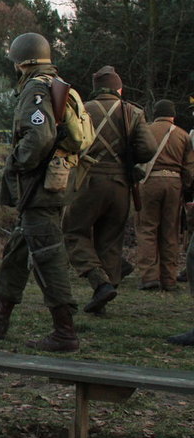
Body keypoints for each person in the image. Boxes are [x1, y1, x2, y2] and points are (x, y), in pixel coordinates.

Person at [0, 32, 82, 352]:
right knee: (19, 248)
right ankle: (0, 313)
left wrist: (18, 162)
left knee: (47, 254)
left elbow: (40, 136)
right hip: (50, 183)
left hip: (39, 186)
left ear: (21, 61)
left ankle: (65, 331)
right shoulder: (55, 84)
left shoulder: (36, 88)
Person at [62, 66, 155, 314]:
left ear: (97, 89)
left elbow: (69, 141)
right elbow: (148, 149)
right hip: (121, 185)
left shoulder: (83, 110)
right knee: (111, 240)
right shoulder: (133, 112)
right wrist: (128, 157)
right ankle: (107, 290)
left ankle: (99, 282)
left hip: (89, 181)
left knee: (73, 230)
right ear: (119, 89)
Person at [134, 100, 194, 291]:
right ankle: (169, 279)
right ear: (173, 115)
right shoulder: (183, 135)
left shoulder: (146, 131)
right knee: (171, 231)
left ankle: (149, 277)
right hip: (174, 184)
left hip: (149, 182)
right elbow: (189, 169)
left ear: (155, 114)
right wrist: (185, 188)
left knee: (147, 229)